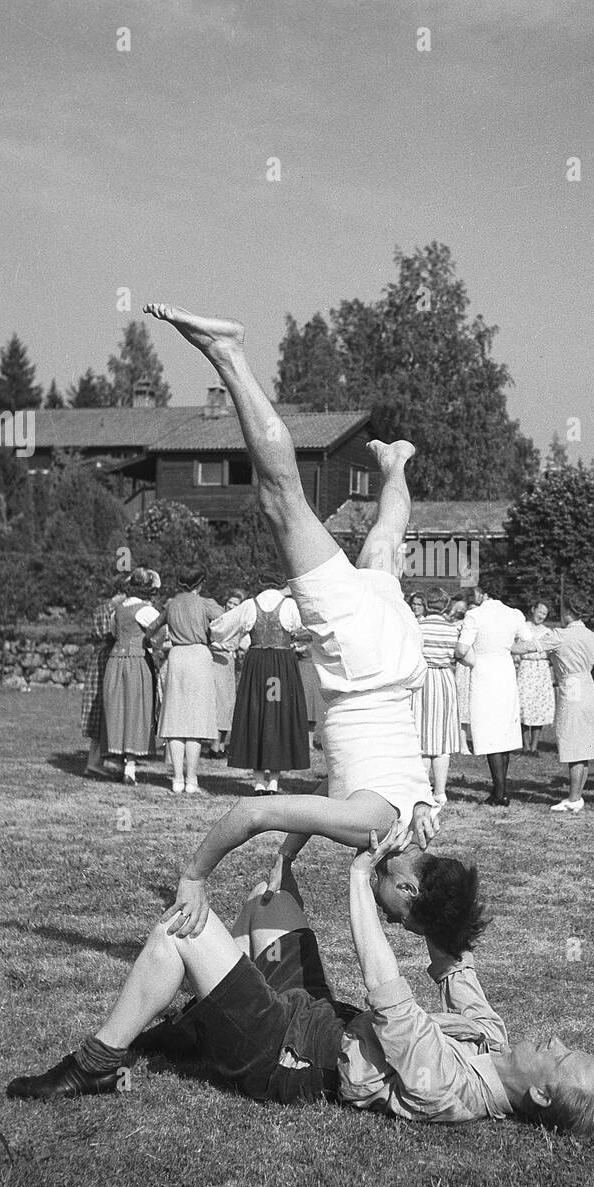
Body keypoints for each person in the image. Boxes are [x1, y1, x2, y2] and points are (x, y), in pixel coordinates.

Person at [6, 829, 594, 1137]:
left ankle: (95, 1060)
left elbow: (389, 992)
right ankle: (187, 1031)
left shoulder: (454, 1092)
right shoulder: (490, 1039)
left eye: (560, 1057)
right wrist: (430, 887)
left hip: (286, 1052)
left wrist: (361, 879)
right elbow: (451, 962)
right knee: (269, 898)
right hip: (317, 1013)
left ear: (541, 1097)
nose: (554, 1038)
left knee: (183, 931)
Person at [139, 301, 437, 859]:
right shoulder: (371, 830)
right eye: (397, 909)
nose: (388, 914)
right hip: (364, 661)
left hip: (398, 657)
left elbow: (334, 786)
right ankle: (229, 354)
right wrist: (196, 875)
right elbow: (256, 811)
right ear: (408, 884)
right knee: (282, 500)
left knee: (383, 546)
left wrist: (285, 859)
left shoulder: (411, 812)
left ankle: (395, 465)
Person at [212, 573, 309, 794]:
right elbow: (312, 626)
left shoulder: (249, 606)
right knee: (278, 715)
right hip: (282, 665)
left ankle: (258, 781)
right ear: (281, 584)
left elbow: (219, 628)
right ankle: (274, 781)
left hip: (257, 665)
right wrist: (295, 639)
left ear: (259, 584)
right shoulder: (290, 606)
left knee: (257, 715)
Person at [147, 567, 226, 795]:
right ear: (200, 584)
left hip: (178, 657)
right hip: (199, 655)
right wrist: (214, 637)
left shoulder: (171, 604)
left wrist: (147, 643)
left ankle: (177, 779)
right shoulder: (205, 603)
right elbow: (226, 620)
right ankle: (191, 780)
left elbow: (153, 627)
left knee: (175, 719)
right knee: (196, 720)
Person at [531, 600, 594, 813]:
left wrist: (506, 648)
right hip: (589, 689)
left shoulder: (560, 635)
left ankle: (574, 798)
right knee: (583, 745)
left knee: (574, 745)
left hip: (572, 690)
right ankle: (577, 795)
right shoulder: (593, 636)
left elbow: (532, 646)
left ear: (569, 613)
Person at [457, 585, 529, 806]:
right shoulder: (515, 614)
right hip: (505, 671)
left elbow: (461, 649)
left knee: (490, 732)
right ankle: (501, 790)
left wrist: (474, 660)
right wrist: (505, 649)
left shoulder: (475, 615)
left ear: (482, 594)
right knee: (503, 732)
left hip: (484, 672)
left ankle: (500, 793)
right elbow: (525, 644)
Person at [101, 569, 162, 785]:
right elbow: (161, 633)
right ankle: (130, 767)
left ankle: (117, 761)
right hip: (136, 661)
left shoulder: (118, 609)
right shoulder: (146, 611)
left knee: (119, 710)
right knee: (136, 710)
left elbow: (114, 633)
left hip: (115, 662)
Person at [415, 587, 463, 807]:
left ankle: (423, 788)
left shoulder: (417, 627)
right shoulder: (452, 629)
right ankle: (440, 791)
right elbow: (463, 655)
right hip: (444, 679)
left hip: (423, 679)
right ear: (445, 605)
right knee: (442, 737)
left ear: (426, 604)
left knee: (423, 736)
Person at [81, 576, 128, 778]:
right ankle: (96, 762)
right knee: (103, 707)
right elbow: (107, 634)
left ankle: (97, 761)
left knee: (101, 708)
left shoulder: (103, 608)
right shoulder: (112, 610)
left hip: (102, 658)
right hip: (106, 659)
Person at [515, 600, 556, 753]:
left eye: (544, 614)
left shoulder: (547, 631)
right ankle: (525, 746)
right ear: (533, 610)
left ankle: (534, 747)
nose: (541, 616)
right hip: (526, 668)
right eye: (540, 612)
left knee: (539, 706)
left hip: (542, 670)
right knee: (524, 705)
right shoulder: (523, 627)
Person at [209, 588, 244, 758]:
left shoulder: (238, 622)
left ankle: (221, 745)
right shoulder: (218, 619)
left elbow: (236, 644)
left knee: (228, 703)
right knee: (220, 702)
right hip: (217, 662)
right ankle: (214, 746)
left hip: (228, 662)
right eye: (229, 602)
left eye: (235, 604)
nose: (231, 606)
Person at [450, 597, 474, 754]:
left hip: (474, 667)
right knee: (462, 705)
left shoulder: (475, 627)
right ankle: (461, 742)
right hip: (462, 668)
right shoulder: (455, 627)